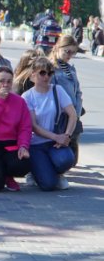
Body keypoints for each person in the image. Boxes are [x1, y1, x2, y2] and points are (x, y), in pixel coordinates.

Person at [22, 57, 77, 191]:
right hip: (36, 144)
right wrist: (56, 137)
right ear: (33, 74)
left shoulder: (57, 90)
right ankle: (36, 171)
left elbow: (73, 114)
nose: (46, 77)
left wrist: (66, 136)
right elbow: (34, 126)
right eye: (42, 73)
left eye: (50, 73)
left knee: (66, 160)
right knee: (48, 185)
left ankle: (56, 172)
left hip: (55, 143)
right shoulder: (27, 96)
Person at [49, 34, 83, 164]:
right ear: (58, 47)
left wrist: (76, 112)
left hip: (73, 116)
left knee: (72, 157)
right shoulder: (50, 67)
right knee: (61, 154)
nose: (70, 55)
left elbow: (78, 92)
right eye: (67, 51)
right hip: (59, 117)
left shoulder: (71, 69)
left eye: (73, 53)